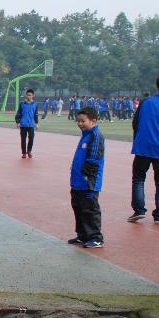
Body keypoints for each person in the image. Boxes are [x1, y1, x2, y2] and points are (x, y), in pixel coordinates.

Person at [129, 74, 159, 224]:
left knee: (138, 179)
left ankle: (139, 210)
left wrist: (138, 140)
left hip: (143, 147)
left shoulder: (146, 102)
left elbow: (135, 123)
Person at [68, 107, 105, 249]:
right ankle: (82, 235)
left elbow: (94, 159)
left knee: (90, 209)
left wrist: (86, 176)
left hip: (88, 182)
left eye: (83, 121)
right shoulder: (85, 135)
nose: (80, 124)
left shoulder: (95, 136)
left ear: (93, 121)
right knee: (78, 207)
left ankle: (96, 237)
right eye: (78, 121)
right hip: (77, 182)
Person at [15, 89, 39, 158]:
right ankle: (24, 153)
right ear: (26, 95)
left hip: (31, 124)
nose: (29, 96)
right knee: (23, 139)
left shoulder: (35, 104)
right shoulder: (22, 104)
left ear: (33, 96)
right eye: (28, 95)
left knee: (31, 138)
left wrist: (36, 123)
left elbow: (36, 114)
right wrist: (17, 122)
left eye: (30, 95)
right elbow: (18, 113)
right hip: (23, 124)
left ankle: (29, 151)